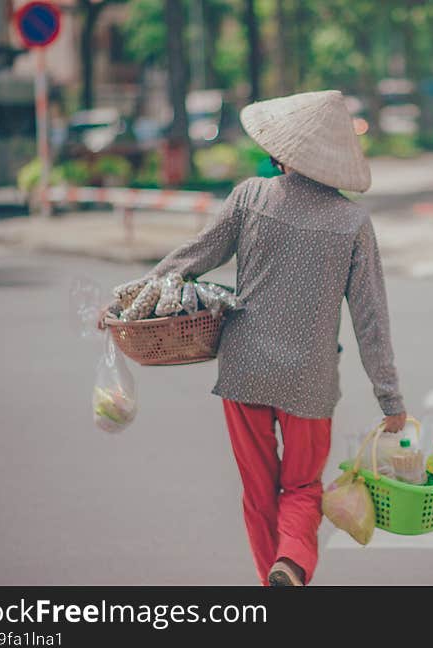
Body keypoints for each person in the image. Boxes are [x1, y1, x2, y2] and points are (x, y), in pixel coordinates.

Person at [145, 90, 406, 586]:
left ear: (281, 149)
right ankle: (291, 563)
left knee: (258, 492)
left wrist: (126, 302)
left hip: (244, 370)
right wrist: (389, 398)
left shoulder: (251, 196)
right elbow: (371, 319)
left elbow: (191, 258)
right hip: (309, 380)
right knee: (304, 487)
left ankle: (275, 580)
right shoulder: (354, 223)